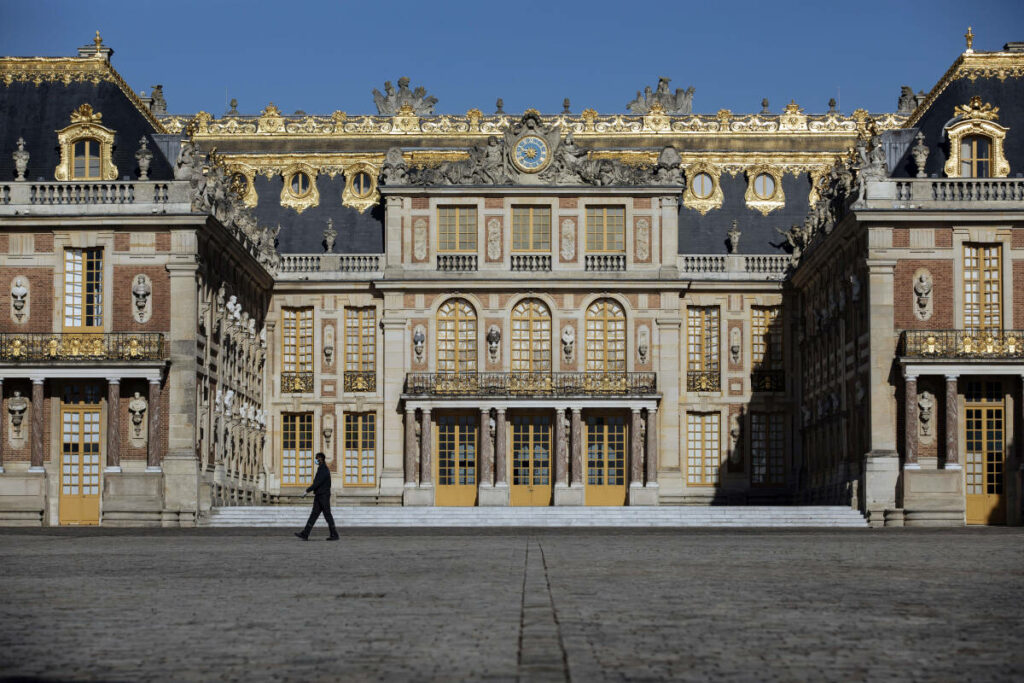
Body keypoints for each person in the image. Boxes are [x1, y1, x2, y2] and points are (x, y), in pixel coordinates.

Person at [295, 452, 339, 541]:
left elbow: (317, 483)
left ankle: (334, 534)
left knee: (327, 515)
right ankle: (305, 533)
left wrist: (307, 490)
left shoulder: (324, 470)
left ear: (321, 459)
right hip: (319, 496)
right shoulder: (321, 468)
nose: (315, 460)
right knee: (314, 515)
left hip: (323, 496)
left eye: (317, 458)